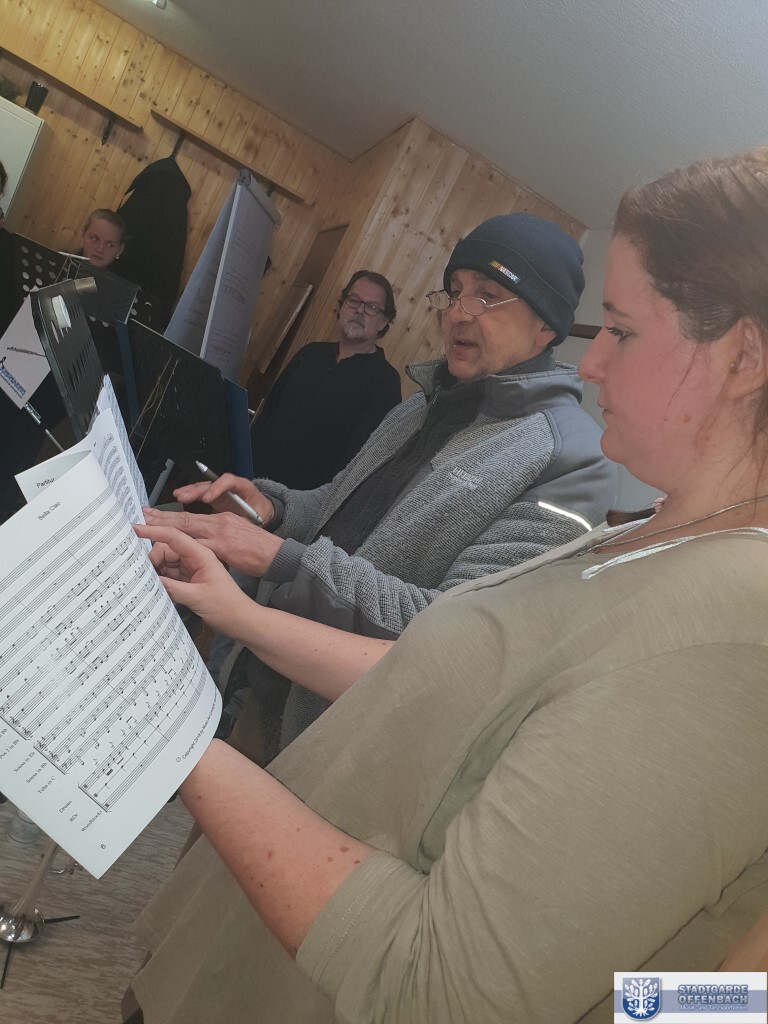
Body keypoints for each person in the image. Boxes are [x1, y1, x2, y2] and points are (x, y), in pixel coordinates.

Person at [125, 147, 768, 1023]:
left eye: (619, 330)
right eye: (454, 291)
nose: (592, 366)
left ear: (742, 356)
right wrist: (258, 550)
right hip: (269, 904)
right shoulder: (651, 529)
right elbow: (434, 667)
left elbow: (443, 990)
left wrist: (160, 726)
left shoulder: (725, 640)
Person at [144, 213, 615, 757]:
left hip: (337, 740)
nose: (458, 314)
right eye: (455, 292)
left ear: (546, 327)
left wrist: (281, 559)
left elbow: (449, 634)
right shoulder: (421, 405)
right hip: (265, 679)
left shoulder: (571, 461)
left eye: (487, 296)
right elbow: (338, 503)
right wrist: (273, 508)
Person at [249, 270, 402, 489]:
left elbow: (358, 464)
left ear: (383, 321)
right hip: (251, 480)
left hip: (299, 503)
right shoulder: (310, 353)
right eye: (354, 300)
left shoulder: (386, 383)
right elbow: (268, 412)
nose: (359, 310)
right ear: (342, 306)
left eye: (372, 307)